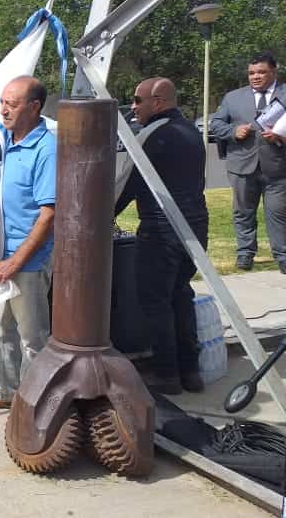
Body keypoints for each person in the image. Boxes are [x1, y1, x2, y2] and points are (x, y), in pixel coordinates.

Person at [0, 76, 57, 410]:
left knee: (32, 336)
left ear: (34, 107)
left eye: (12, 104)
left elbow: (49, 214)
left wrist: (16, 261)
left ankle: (31, 403)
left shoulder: (46, 149)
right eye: (2, 102)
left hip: (26, 262)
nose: (3, 110)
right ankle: (3, 392)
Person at [115, 77, 209, 394]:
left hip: (160, 229)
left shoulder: (152, 134)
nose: (133, 107)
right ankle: (191, 371)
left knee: (156, 302)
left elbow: (127, 184)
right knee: (181, 294)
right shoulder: (191, 132)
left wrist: (103, 215)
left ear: (158, 102)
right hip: (195, 227)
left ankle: (167, 373)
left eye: (137, 100)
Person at [209, 53, 286, 273]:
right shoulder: (233, 97)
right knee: (243, 212)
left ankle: (282, 255)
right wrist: (233, 131)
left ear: (274, 72)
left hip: (278, 166)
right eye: (251, 73)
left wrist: (281, 137)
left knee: (278, 213)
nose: (255, 77)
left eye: (261, 72)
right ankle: (245, 253)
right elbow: (216, 124)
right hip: (242, 166)